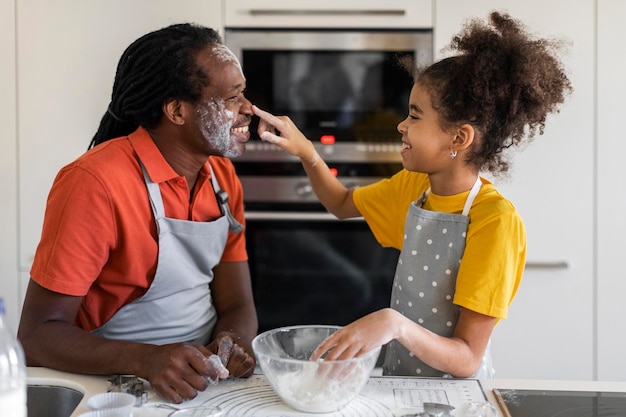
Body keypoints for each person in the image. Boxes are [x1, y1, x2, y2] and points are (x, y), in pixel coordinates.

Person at [252, 11, 572, 378]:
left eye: (415, 116)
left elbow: (467, 359)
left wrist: (394, 324)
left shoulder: (494, 221)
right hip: (403, 381)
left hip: (456, 398)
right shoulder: (416, 186)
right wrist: (307, 152)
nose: (401, 125)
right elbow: (340, 204)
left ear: (458, 138)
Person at [17, 23, 258, 403]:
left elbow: (237, 304)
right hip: (117, 387)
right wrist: (147, 359)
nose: (249, 110)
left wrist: (232, 342)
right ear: (177, 110)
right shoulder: (95, 183)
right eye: (231, 99)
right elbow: (36, 335)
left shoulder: (221, 177)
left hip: (202, 384)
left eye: (243, 93)